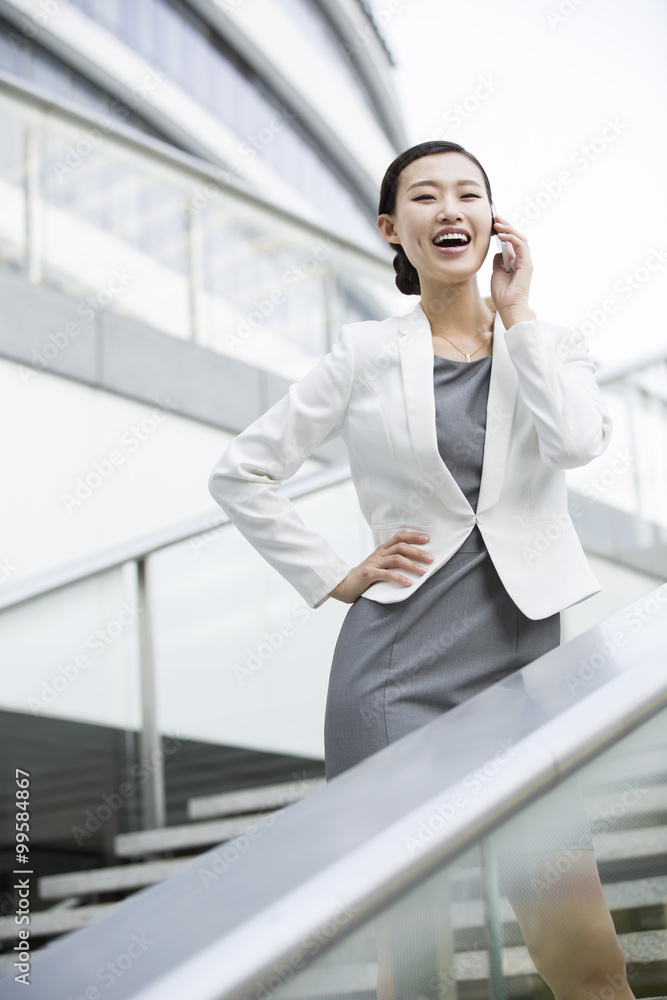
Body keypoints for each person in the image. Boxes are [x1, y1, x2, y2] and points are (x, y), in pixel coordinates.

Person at [208, 140, 633, 1000]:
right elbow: (240, 471)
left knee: (585, 954)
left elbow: (577, 442)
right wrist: (336, 571)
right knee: (417, 965)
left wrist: (519, 316)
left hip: (525, 670)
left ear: (491, 220)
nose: (451, 210)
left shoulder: (548, 343)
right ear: (390, 228)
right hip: (393, 677)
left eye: (469, 194)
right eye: (427, 197)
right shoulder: (363, 354)